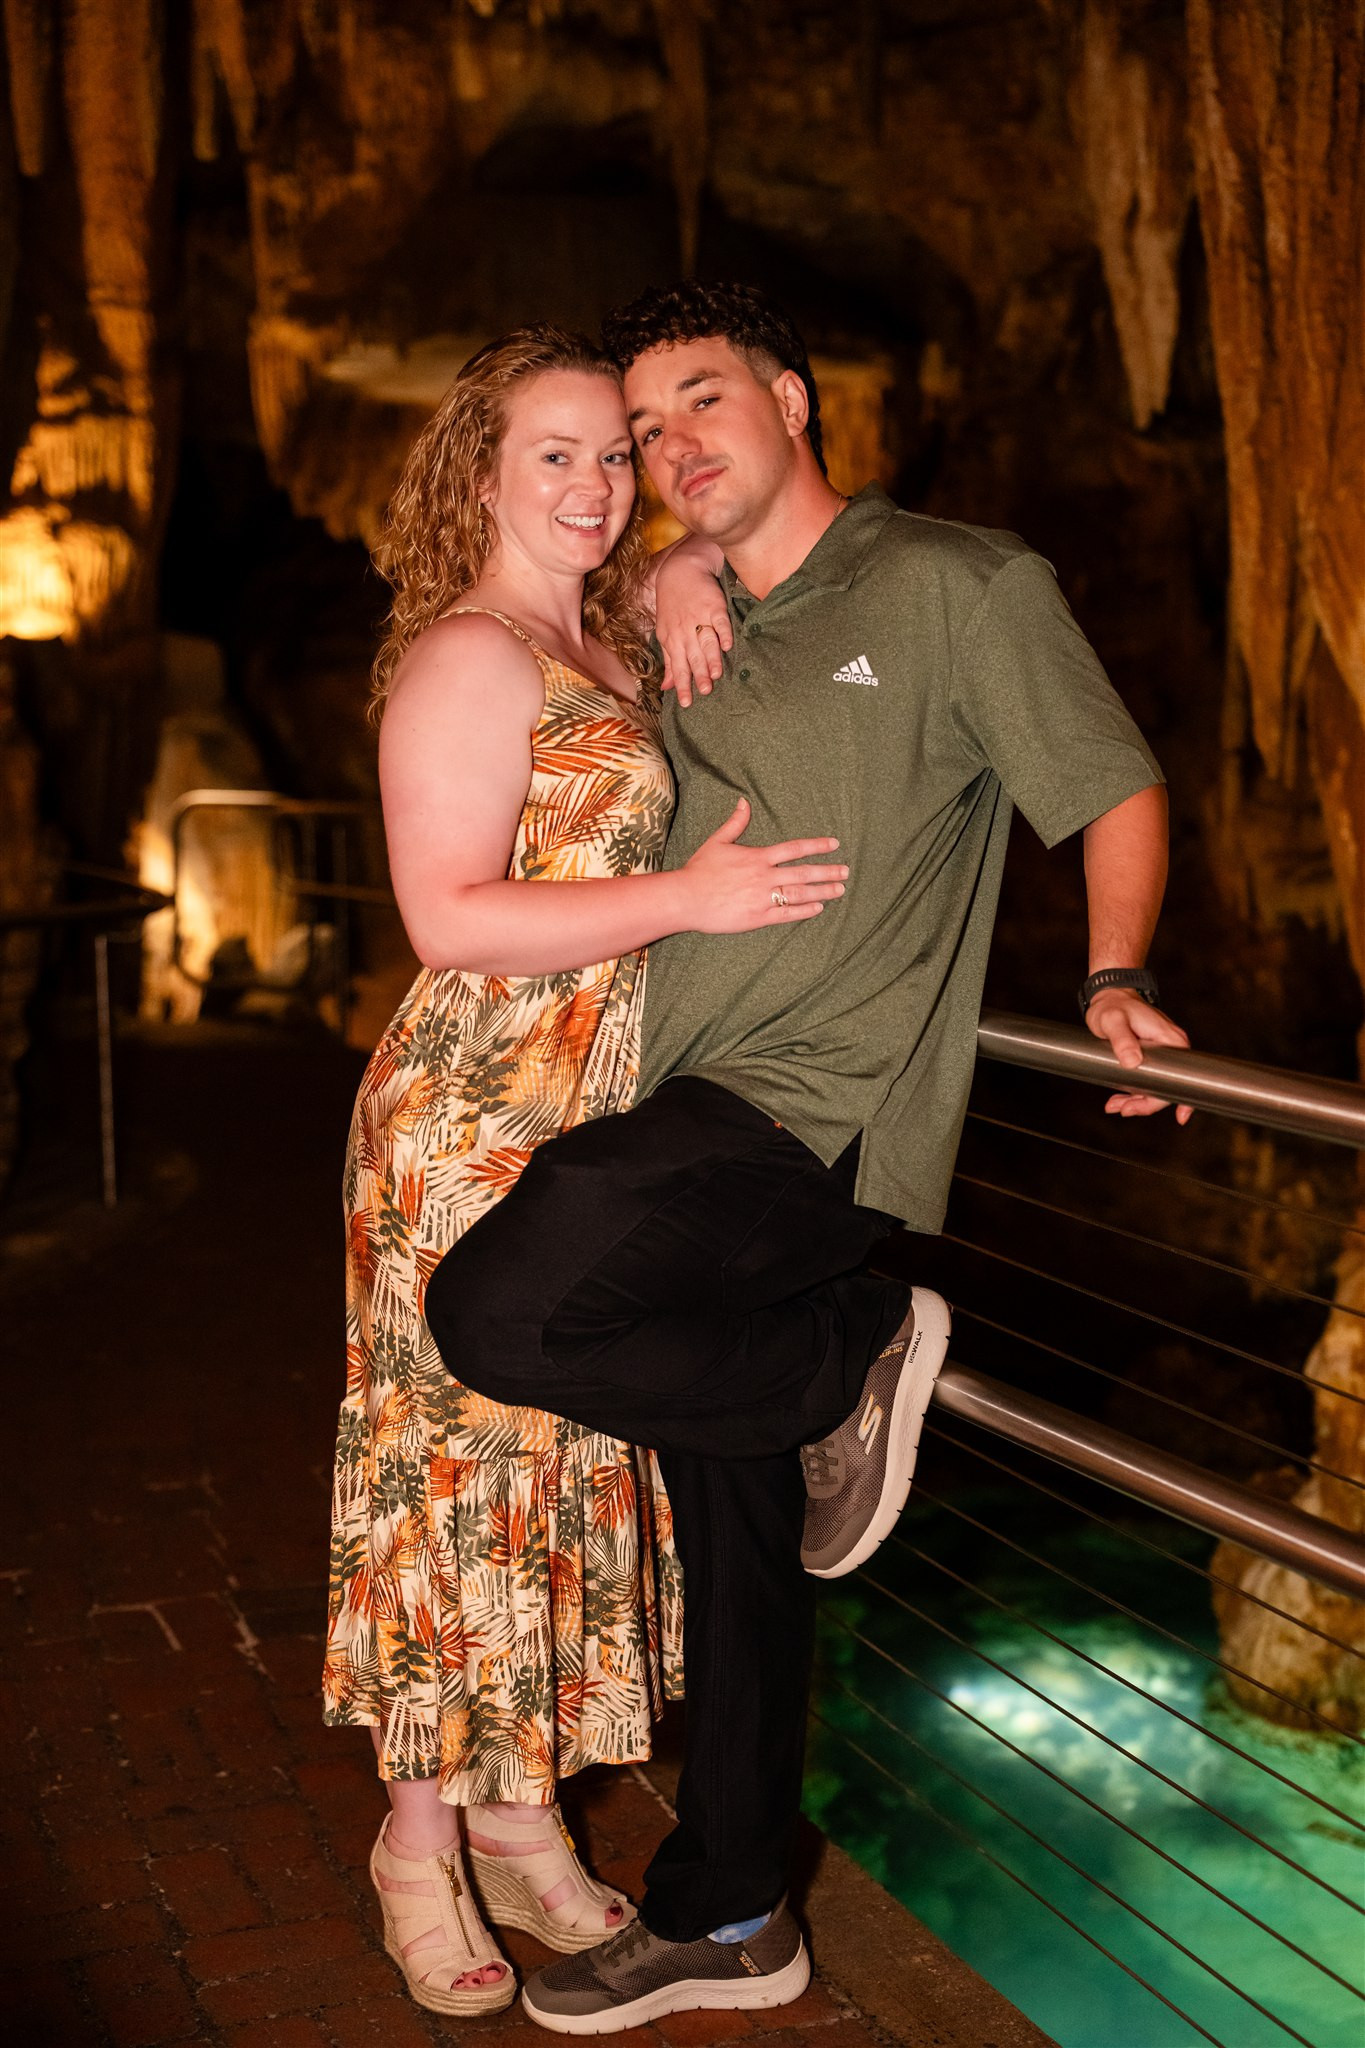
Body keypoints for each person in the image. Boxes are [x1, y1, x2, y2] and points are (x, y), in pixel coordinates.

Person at [422, 281, 1193, 2034]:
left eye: (701, 405)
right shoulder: (692, 609)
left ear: (789, 395)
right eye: (641, 437)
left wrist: (1117, 976)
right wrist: (662, 572)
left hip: (803, 1112)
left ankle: (851, 1354)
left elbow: (1104, 783)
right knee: (735, 1537)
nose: (672, 451)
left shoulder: (954, 582)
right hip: (663, 1095)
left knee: (501, 1312)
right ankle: (731, 1916)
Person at [322, 323, 851, 2017]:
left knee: (553, 1485)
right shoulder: (471, 658)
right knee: (449, 1484)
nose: (593, 482)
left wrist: (692, 554)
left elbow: (756, 529)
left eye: (611, 454)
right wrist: (686, 902)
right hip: (471, 1118)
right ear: (478, 474)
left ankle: (520, 1817)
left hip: (585, 1126)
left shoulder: (604, 633)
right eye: (551, 453)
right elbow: (448, 915)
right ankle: (421, 1837)